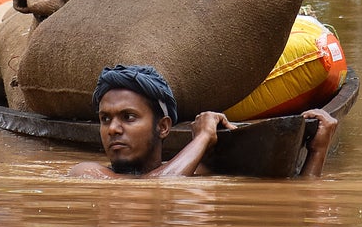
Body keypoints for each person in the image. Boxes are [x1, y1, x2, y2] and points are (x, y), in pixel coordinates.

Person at [70, 64, 339, 179]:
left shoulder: (199, 172)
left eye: (128, 117)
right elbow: (157, 190)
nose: (113, 129)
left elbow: (302, 204)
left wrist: (318, 151)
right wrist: (202, 137)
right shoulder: (87, 172)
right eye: (105, 119)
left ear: (163, 127)